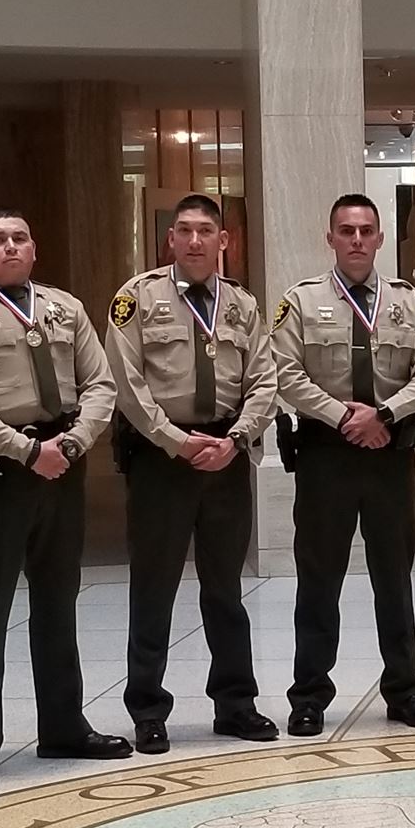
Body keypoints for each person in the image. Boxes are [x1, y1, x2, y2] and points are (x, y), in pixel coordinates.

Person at [0, 208, 128, 789]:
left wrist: (72, 443)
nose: (10, 247)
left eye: (19, 238)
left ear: (33, 248)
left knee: (59, 602)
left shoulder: (65, 308)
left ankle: (64, 724)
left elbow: (100, 385)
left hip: (60, 466)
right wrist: (24, 450)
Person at [105, 193, 280, 747]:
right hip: (162, 461)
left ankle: (236, 703)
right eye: (185, 230)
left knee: (225, 589)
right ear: (170, 240)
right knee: (153, 588)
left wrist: (236, 440)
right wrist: (176, 442)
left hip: (226, 460)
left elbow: (265, 380)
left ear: (223, 241)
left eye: (207, 230)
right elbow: (126, 384)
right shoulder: (137, 299)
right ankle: (148, 711)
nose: (196, 241)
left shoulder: (243, 305)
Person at [272, 193, 415, 737]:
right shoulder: (300, 302)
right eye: (345, 230)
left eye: (365, 230)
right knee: (318, 581)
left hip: (389, 458)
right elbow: (285, 372)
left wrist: (384, 415)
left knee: (394, 580)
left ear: (379, 238)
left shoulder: (407, 303)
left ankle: (404, 691)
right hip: (325, 457)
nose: (355, 239)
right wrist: (345, 418)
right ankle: (308, 696)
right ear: (330, 238)